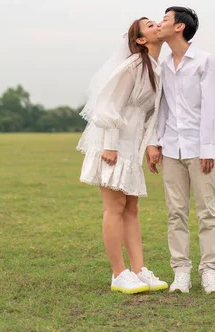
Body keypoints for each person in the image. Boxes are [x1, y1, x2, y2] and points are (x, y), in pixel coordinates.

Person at [77, 17, 168, 294]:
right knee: (114, 208)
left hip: (132, 146)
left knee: (132, 208)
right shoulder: (132, 65)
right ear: (140, 40)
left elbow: (152, 114)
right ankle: (119, 273)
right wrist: (110, 144)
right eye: (149, 25)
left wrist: (151, 145)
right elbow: (107, 103)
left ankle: (139, 270)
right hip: (112, 143)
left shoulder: (156, 68)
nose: (156, 25)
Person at [147, 6, 215, 294]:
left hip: (199, 149)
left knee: (207, 213)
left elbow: (210, 107)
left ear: (179, 27)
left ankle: (210, 271)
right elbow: (160, 107)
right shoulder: (162, 65)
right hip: (170, 149)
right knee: (175, 213)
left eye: (165, 19)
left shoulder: (205, 61)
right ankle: (181, 271)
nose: (160, 22)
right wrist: (153, 142)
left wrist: (207, 148)